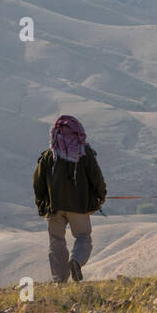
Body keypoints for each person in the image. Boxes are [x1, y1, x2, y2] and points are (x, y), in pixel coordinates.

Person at [33, 115, 106, 283]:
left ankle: (60, 281)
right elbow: (97, 178)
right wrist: (100, 196)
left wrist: (42, 205)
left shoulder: (47, 156)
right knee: (83, 236)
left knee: (56, 241)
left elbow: (38, 183)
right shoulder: (84, 153)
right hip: (79, 206)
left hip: (54, 207)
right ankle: (76, 261)